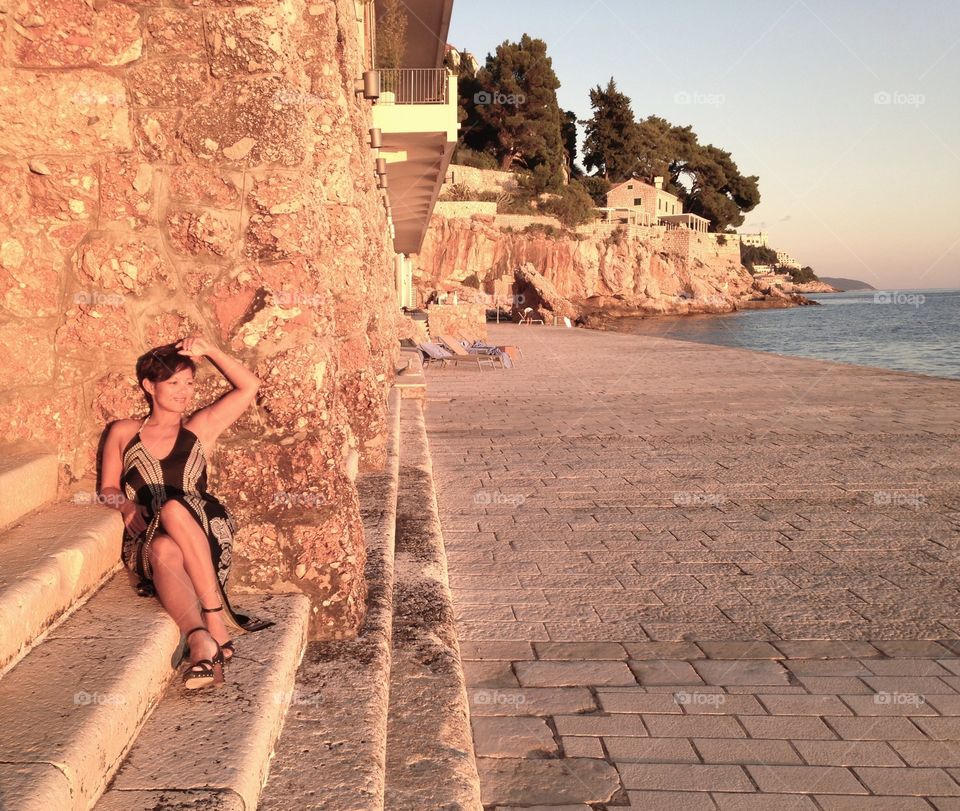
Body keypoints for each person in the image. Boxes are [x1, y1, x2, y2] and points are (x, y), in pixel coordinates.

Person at [99, 336, 272, 690]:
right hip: (150, 536)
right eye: (173, 382)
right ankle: (200, 640)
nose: (183, 391)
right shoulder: (124, 432)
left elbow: (249, 385)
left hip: (204, 526)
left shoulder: (198, 428)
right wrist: (126, 505)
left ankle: (214, 620)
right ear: (150, 386)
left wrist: (210, 350)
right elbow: (108, 488)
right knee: (163, 549)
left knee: (175, 506)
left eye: (190, 383)